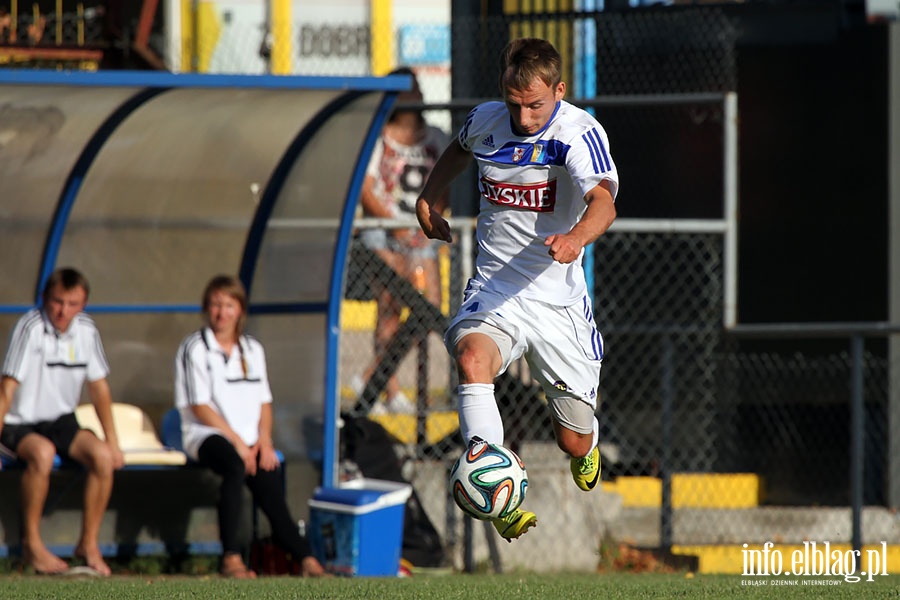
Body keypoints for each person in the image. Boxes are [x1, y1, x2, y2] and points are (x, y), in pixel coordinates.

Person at [415, 38, 619, 541]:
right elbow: (458, 151)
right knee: (470, 360)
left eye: (535, 104)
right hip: (496, 286)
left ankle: (586, 447)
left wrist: (575, 238)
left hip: (557, 302)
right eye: (514, 103)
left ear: (558, 90)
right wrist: (427, 199)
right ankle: (499, 491)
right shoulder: (486, 120)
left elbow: (603, 202)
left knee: (572, 441)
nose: (524, 117)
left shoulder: (578, 132)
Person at [174, 275, 327, 578]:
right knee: (233, 465)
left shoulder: (253, 350)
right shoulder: (195, 348)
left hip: (249, 439)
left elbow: (264, 402)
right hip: (207, 435)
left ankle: (306, 559)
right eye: (216, 305)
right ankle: (231, 558)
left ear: (240, 310)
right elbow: (199, 406)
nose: (221, 312)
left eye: (228, 305)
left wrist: (264, 441)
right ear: (207, 308)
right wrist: (237, 443)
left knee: (269, 478)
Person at [0, 267, 124, 575]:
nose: (63, 311)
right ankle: (31, 545)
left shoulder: (86, 330)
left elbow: (99, 389)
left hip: (61, 420)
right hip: (20, 422)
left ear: (83, 304)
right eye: (57, 302)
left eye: (72, 303)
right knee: (42, 454)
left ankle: (88, 545)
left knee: (103, 457)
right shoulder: (30, 328)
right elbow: (6, 389)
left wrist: (113, 441)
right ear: (45, 299)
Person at [357, 66, 449, 414]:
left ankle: (370, 375)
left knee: (428, 305)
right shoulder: (377, 137)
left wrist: (423, 224)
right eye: (406, 90)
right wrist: (394, 224)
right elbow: (366, 189)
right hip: (383, 230)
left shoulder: (437, 137)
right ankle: (389, 389)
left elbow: (444, 188)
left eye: (417, 89)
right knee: (391, 308)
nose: (415, 97)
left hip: (420, 233)